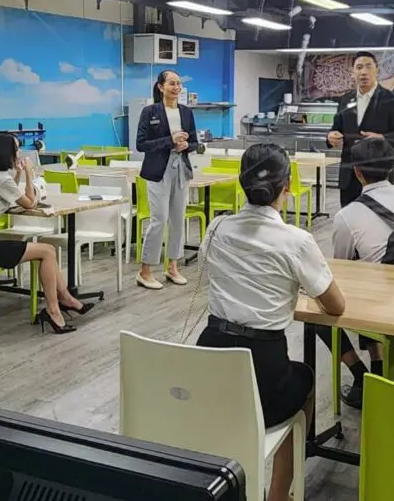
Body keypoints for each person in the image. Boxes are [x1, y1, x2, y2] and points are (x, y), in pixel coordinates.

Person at [196, 143, 345, 501]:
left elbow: (209, 269)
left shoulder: (216, 227)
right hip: (264, 362)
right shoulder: (297, 241)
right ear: (288, 185)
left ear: (241, 182)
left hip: (209, 357)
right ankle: (278, 495)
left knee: (226, 403)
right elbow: (336, 305)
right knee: (304, 379)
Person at [314, 137, 394, 409]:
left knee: (320, 312)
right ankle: (378, 367)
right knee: (372, 281)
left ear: (357, 172)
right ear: (392, 166)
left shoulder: (348, 215)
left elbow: (343, 268)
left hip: (380, 305)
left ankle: (361, 375)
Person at [0, 132, 92, 334]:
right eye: (16, 149)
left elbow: (10, 193)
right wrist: (29, 173)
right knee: (47, 251)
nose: (19, 153)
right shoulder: (0, 179)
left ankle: (65, 299)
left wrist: (17, 173)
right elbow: (30, 202)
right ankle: (54, 309)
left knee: (47, 250)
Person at [135, 69, 199, 290]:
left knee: (178, 219)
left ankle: (172, 266)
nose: (176, 87)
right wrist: (169, 141)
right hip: (157, 171)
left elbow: (195, 142)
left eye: (179, 83)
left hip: (181, 168)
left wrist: (186, 145)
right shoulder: (149, 111)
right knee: (159, 219)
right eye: (172, 83)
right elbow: (141, 144)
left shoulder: (186, 113)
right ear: (161, 87)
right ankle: (145, 271)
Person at [327, 51, 394, 207]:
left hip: (378, 176)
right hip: (349, 175)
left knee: (379, 217)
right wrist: (331, 136)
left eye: (368, 67)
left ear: (376, 70)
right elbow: (336, 128)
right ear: (352, 72)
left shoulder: (390, 100)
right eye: (359, 67)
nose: (363, 72)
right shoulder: (346, 100)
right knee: (349, 216)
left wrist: (382, 138)